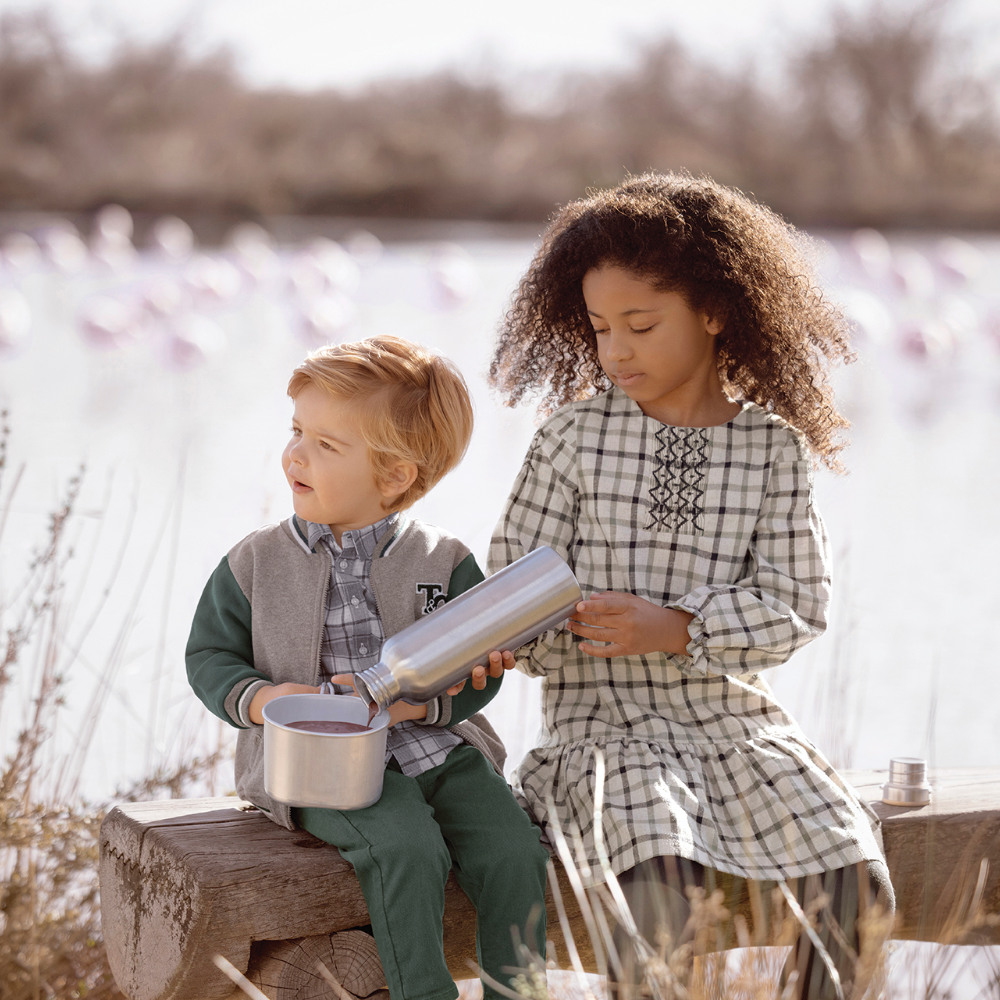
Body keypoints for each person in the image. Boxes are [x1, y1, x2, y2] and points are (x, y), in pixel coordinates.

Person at [484, 173, 894, 999]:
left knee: (861, 894)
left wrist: (676, 626)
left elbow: (798, 604)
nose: (617, 350)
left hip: (737, 735)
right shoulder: (571, 439)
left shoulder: (772, 451)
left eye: (641, 324)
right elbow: (507, 594)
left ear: (715, 311)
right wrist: (528, 635)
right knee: (660, 901)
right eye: (601, 328)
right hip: (604, 736)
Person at [186, 335, 548, 1000]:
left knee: (514, 851)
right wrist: (264, 699)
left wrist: (437, 699)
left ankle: (518, 993)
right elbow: (208, 656)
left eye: (327, 444)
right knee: (407, 850)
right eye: (298, 431)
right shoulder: (257, 561)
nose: (295, 453)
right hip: (321, 762)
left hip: (437, 744)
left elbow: (480, 671)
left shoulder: (446, 562)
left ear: (394, 476)